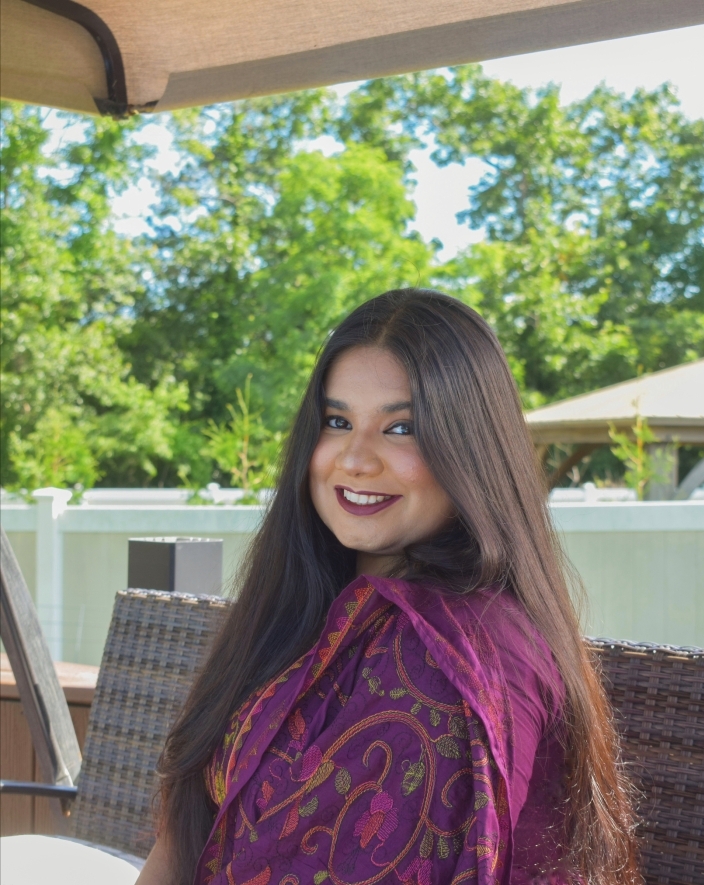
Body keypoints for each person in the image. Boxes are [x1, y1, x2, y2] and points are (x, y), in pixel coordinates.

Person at [137, 289, 639, 885]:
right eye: (337, 421)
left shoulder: (462, 658)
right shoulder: (297, 614)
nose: (354, 458)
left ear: (470, 450)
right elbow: (177, 844)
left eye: (401, 427)